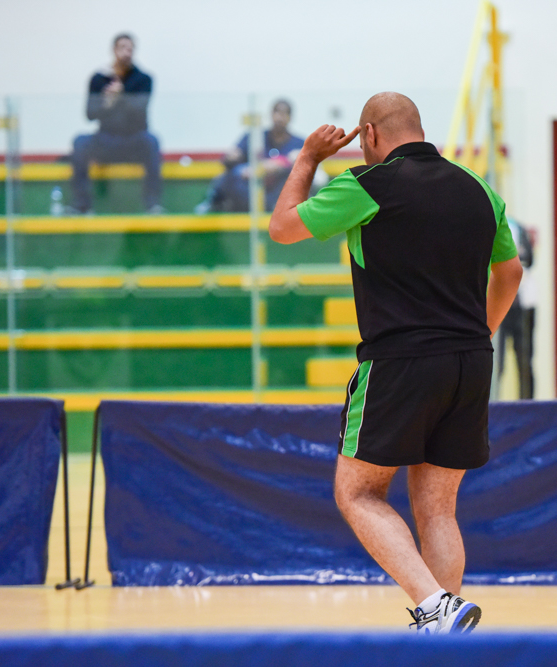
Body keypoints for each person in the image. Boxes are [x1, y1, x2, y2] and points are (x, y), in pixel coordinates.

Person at [268, 92, 522, 634]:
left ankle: (433, 606)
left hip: (401, 361)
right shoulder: (480, 189)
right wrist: (481, 332)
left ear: (369, 135)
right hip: (471, 362)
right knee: (439, 509)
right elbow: (511, 273)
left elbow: (283, 227)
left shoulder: (366, 184)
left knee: (358, 493)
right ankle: (443, 631)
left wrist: (308, 157)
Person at [69, 33, 163, 214]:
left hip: (133, 141)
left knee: (152, 141)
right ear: (114, 50)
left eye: (130, 49)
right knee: (80, 142)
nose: (127, 52)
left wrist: (121, 95)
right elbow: (90, 114)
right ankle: (81, 204)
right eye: (122, 48)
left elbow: (140, 110)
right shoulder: (98, 79)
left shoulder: (144, 79)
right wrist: (107, 103)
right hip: (106, 141)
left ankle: (152, 204)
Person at [196, 99, 307, 213]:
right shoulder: (255, 137)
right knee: (231, 174)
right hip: (250, 193)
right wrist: (236, 160)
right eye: (276, 112)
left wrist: (278, 164)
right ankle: (214, 203)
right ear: (270, 114)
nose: (279, 117)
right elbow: (233, 156)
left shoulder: (299, 143)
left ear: (290, 117)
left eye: (284, 113)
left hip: (279, 195)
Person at [496, 219, 536, 399]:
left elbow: (528, 259)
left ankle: (527, 405)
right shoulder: (494, 227)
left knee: (524, 360)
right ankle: (491, 404)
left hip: (522, 307)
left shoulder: (518, 228)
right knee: (497, 361)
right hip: (499, 305)